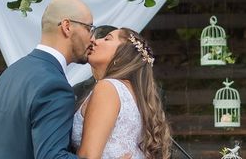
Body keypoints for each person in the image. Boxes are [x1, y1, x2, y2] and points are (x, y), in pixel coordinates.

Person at [0, 0, 96, 159]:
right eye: (89, 28)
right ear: (67, 26)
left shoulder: (11, 73)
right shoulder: (55, 86)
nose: (92, 38)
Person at [72, 28, 172, 159]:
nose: (95, 41)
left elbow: (87, 156)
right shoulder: (134, 93)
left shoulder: (108, 88)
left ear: (123, 55)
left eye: (107, 38)